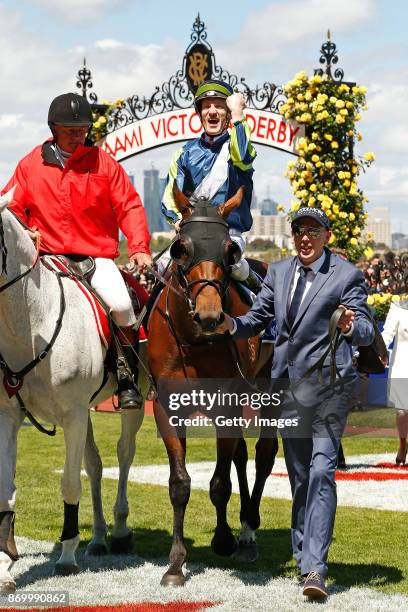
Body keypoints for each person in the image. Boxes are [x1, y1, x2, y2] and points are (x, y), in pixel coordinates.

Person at [218, 206, 374, 598]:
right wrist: (231, 325)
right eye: (299, 230)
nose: (305, 237)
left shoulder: (346, 275)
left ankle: (316, 569)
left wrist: (352, 325)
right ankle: (306, 561)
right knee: (302, 476)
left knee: (322, 471)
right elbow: (257, 318)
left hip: (330, 389)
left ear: (326, 235)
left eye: (313, 230)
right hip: (288, 389)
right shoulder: (279, 272)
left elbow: (368, 331)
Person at [1, 92, 152, 410]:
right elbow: (11, 207)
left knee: (123, 305)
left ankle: (126, 377)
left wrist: (138, 247)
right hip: (49, 257)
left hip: (95, 257)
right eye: (70, 130)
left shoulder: (104, 163)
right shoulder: (31, 164)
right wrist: (25, 228)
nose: (77, 135)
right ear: (53, 128)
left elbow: (130, 206)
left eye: (81, 129)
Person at [161, 78, 261, 291]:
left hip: (228, 233)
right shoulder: (184, 153)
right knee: (162, 268)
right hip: (192, 234)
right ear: (200, 113)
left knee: (236, 267)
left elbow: (241, 155)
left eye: (219, 106)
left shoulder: (238, 146)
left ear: (227, 113)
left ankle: (263, 307)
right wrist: (178, 221)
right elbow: (171, 195)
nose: (212, 112)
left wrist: (238, 115)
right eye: (207, 106)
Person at [381, 299, 408, 465]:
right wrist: (380, 351)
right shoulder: (398, 308)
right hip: (402, 365)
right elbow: (387, 334)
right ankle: (403, 444)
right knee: (402, 412)